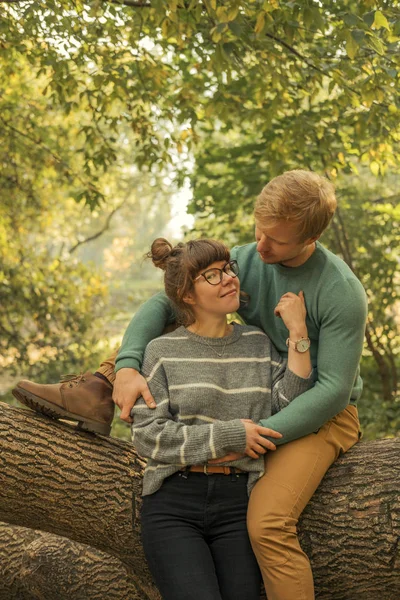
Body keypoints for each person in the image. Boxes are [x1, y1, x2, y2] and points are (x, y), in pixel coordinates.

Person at [14, 169, 367, 599]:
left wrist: (254, 438)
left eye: (275, 239)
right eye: (259, 230)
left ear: (309, 237)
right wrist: (126, 365)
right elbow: (166, 300)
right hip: (265, 395)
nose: (260, 246)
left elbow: (330, 391)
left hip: (322, 413)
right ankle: (98, 389)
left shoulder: (341, 291)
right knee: (179, 326)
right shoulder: (252, 261)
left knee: (268, 523)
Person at [132, 236, 313, 600]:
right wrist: (230, 436)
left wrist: (298, 333)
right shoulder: (161, 351)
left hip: (239, 504)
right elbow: (149, 435)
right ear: (187, 295)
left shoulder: (257, 343)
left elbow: (286, 404)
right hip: (173, 503)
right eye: (212, 276)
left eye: (228, 269)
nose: (229, 278)